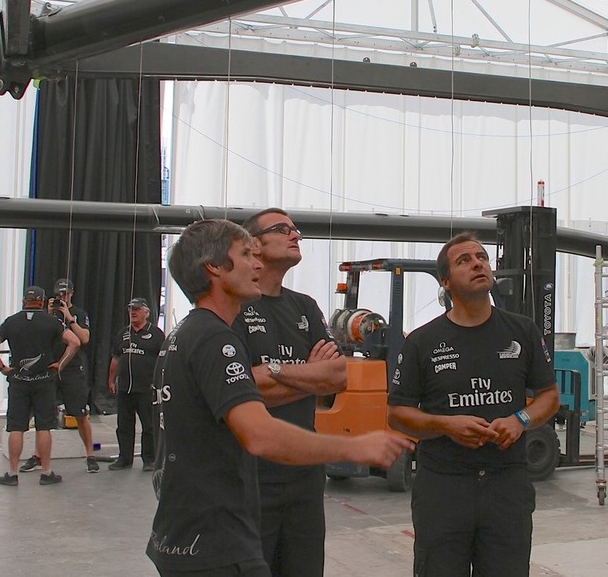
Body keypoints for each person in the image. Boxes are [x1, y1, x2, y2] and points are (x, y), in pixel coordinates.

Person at [147, 218, 412, 576]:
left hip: (190, 535)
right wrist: (352, 448)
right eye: (244, 255)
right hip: (214, 542)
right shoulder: (214, 339)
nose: (255, 263)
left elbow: (334, 377)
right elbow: (260, 435)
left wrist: (275, 373)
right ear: (214, 268)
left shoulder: (187, 333)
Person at [387, 231, 560, 577]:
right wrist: (444, 425)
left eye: (481, 257)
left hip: (506, 485)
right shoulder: (423, 342)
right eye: (464, 260)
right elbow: (397, 414)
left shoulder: (522, 331)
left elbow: (549, 397)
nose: (477, 263)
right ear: (446, 281)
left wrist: (520, 419)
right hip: (444, 488)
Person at [232, 208, 347, 577]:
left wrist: (277, 371)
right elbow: (241, 389)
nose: (295, 234)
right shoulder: (233, 308)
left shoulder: (305, 307)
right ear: (254, 245)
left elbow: (337, 377)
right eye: (282, 229)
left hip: (304, 475)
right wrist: (310, 376)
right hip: (251, 476)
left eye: (296, 230)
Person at [0, 286, 80, 486]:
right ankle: (46, 472)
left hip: (19, 381)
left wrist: (2, 368)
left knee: (16, 428)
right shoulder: (51, 321)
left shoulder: (12, 321)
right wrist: (60, 365)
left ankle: (12, 473)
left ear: (23, 301)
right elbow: (75, 342)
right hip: (43, 381)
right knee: (44, 427)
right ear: (43, 301)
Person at [20, 278, 99, 474]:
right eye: (58, 295)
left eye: (65, 295)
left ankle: (90, 454)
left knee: (80, 413)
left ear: (71, 293)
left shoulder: (78, 314)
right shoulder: (47, 315)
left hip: (72, 368)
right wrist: (48, 314)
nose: (61, 298)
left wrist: (69, 317)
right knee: (44, 413)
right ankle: (38, 455)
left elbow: (84, 338)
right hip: (50, 366)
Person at [108, 297, 166, 471]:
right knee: (124, 425)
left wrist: (161, 382)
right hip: (125, 387)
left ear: (146, 312)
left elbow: (163, 360)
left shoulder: (156, 333)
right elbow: (116, 358)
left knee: (149, 425)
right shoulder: (123, 333)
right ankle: (124, 458)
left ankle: (149, 459)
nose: (133, 312)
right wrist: (111, 379)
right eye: (131, 309)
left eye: (137, 309)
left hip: (146, 387)